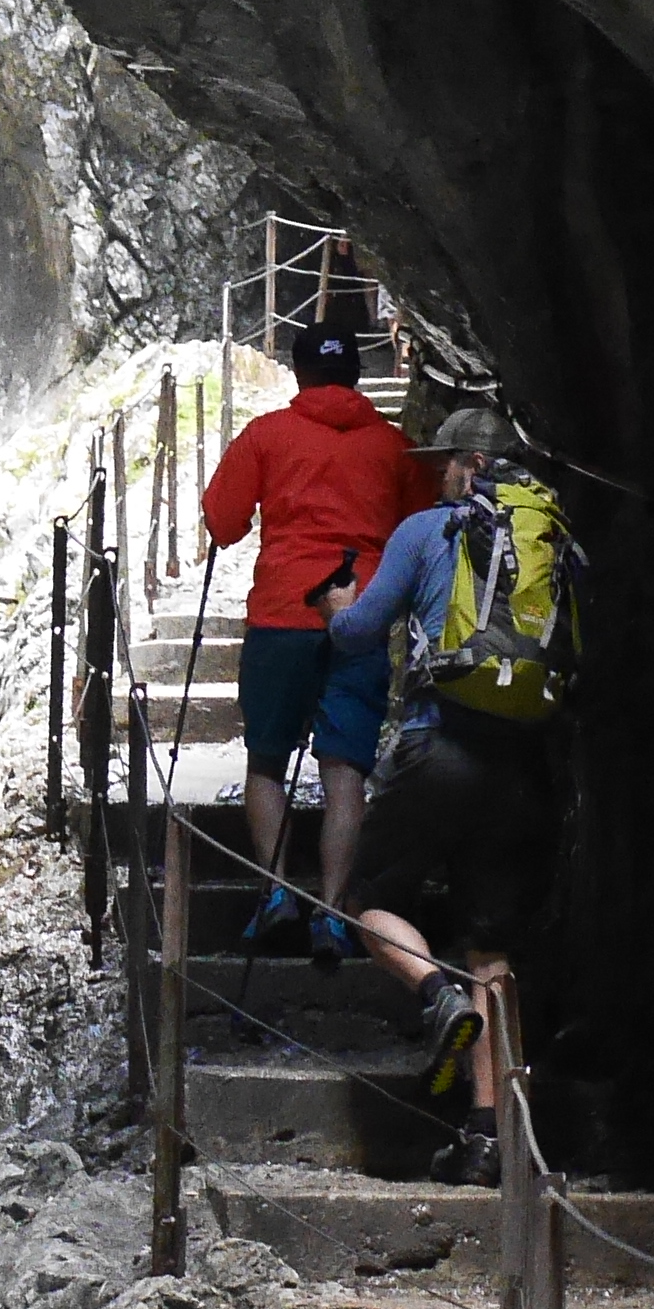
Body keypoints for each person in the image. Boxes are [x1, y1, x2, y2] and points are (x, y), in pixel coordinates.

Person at [329, 402, 568, 1186]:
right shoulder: (554, 542)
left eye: (446, 462)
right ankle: (486, 1135)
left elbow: (361, 630)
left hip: (440, 745)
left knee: (367, 900)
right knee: (491, 947)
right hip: (525, 764)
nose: (437, 474)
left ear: (468, 464)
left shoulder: (430, 531)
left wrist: (336, 610)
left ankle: (437, 1000)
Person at [194, 323, 420, 958]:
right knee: (345, 768)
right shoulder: (394, 447)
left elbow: (222, 522)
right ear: (354, 373)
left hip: (282, 615)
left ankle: (274, 897)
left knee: (267, 760)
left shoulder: (268, 435)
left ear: (298, 375)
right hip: (361, 616)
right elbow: (420, 527)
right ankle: (332, 912)